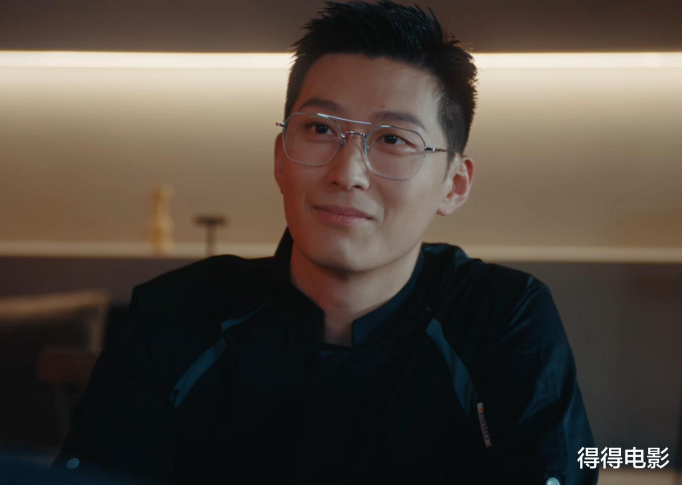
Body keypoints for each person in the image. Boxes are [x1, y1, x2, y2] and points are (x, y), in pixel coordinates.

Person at [56, 1, 597, 484]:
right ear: (279, 157)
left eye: (392, 138)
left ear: (453, 185)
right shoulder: (172, 317)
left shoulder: (501, 320)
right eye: (320, 129)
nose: (347, 172)